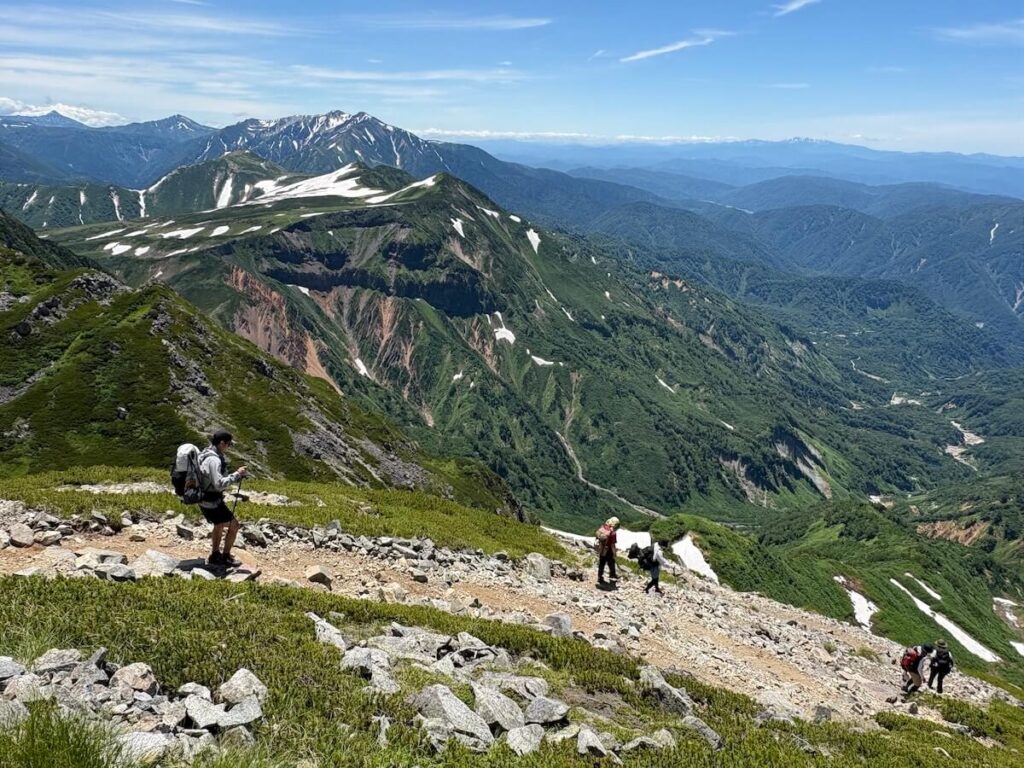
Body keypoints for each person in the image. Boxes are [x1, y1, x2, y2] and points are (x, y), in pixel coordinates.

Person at [199, 431, 248, 567]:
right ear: (222, 443)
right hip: (212, 500)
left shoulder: (205, 453)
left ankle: (215, 554)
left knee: (219, 524)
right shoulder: (214, 460)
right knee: (234, 526)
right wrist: (237, 475)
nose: (229, 447)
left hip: (205, 498)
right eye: (229, 444)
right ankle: (225, 556)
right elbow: (219, 484)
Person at [596, 517, 620, 586]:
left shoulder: (604, 527)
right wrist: (614, 553)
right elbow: (612, 545)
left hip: (601, 548)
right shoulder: (613, 533)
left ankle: (599, 577)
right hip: (608, 550)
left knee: (601, 563)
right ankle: (612, 575)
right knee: (611, 562)